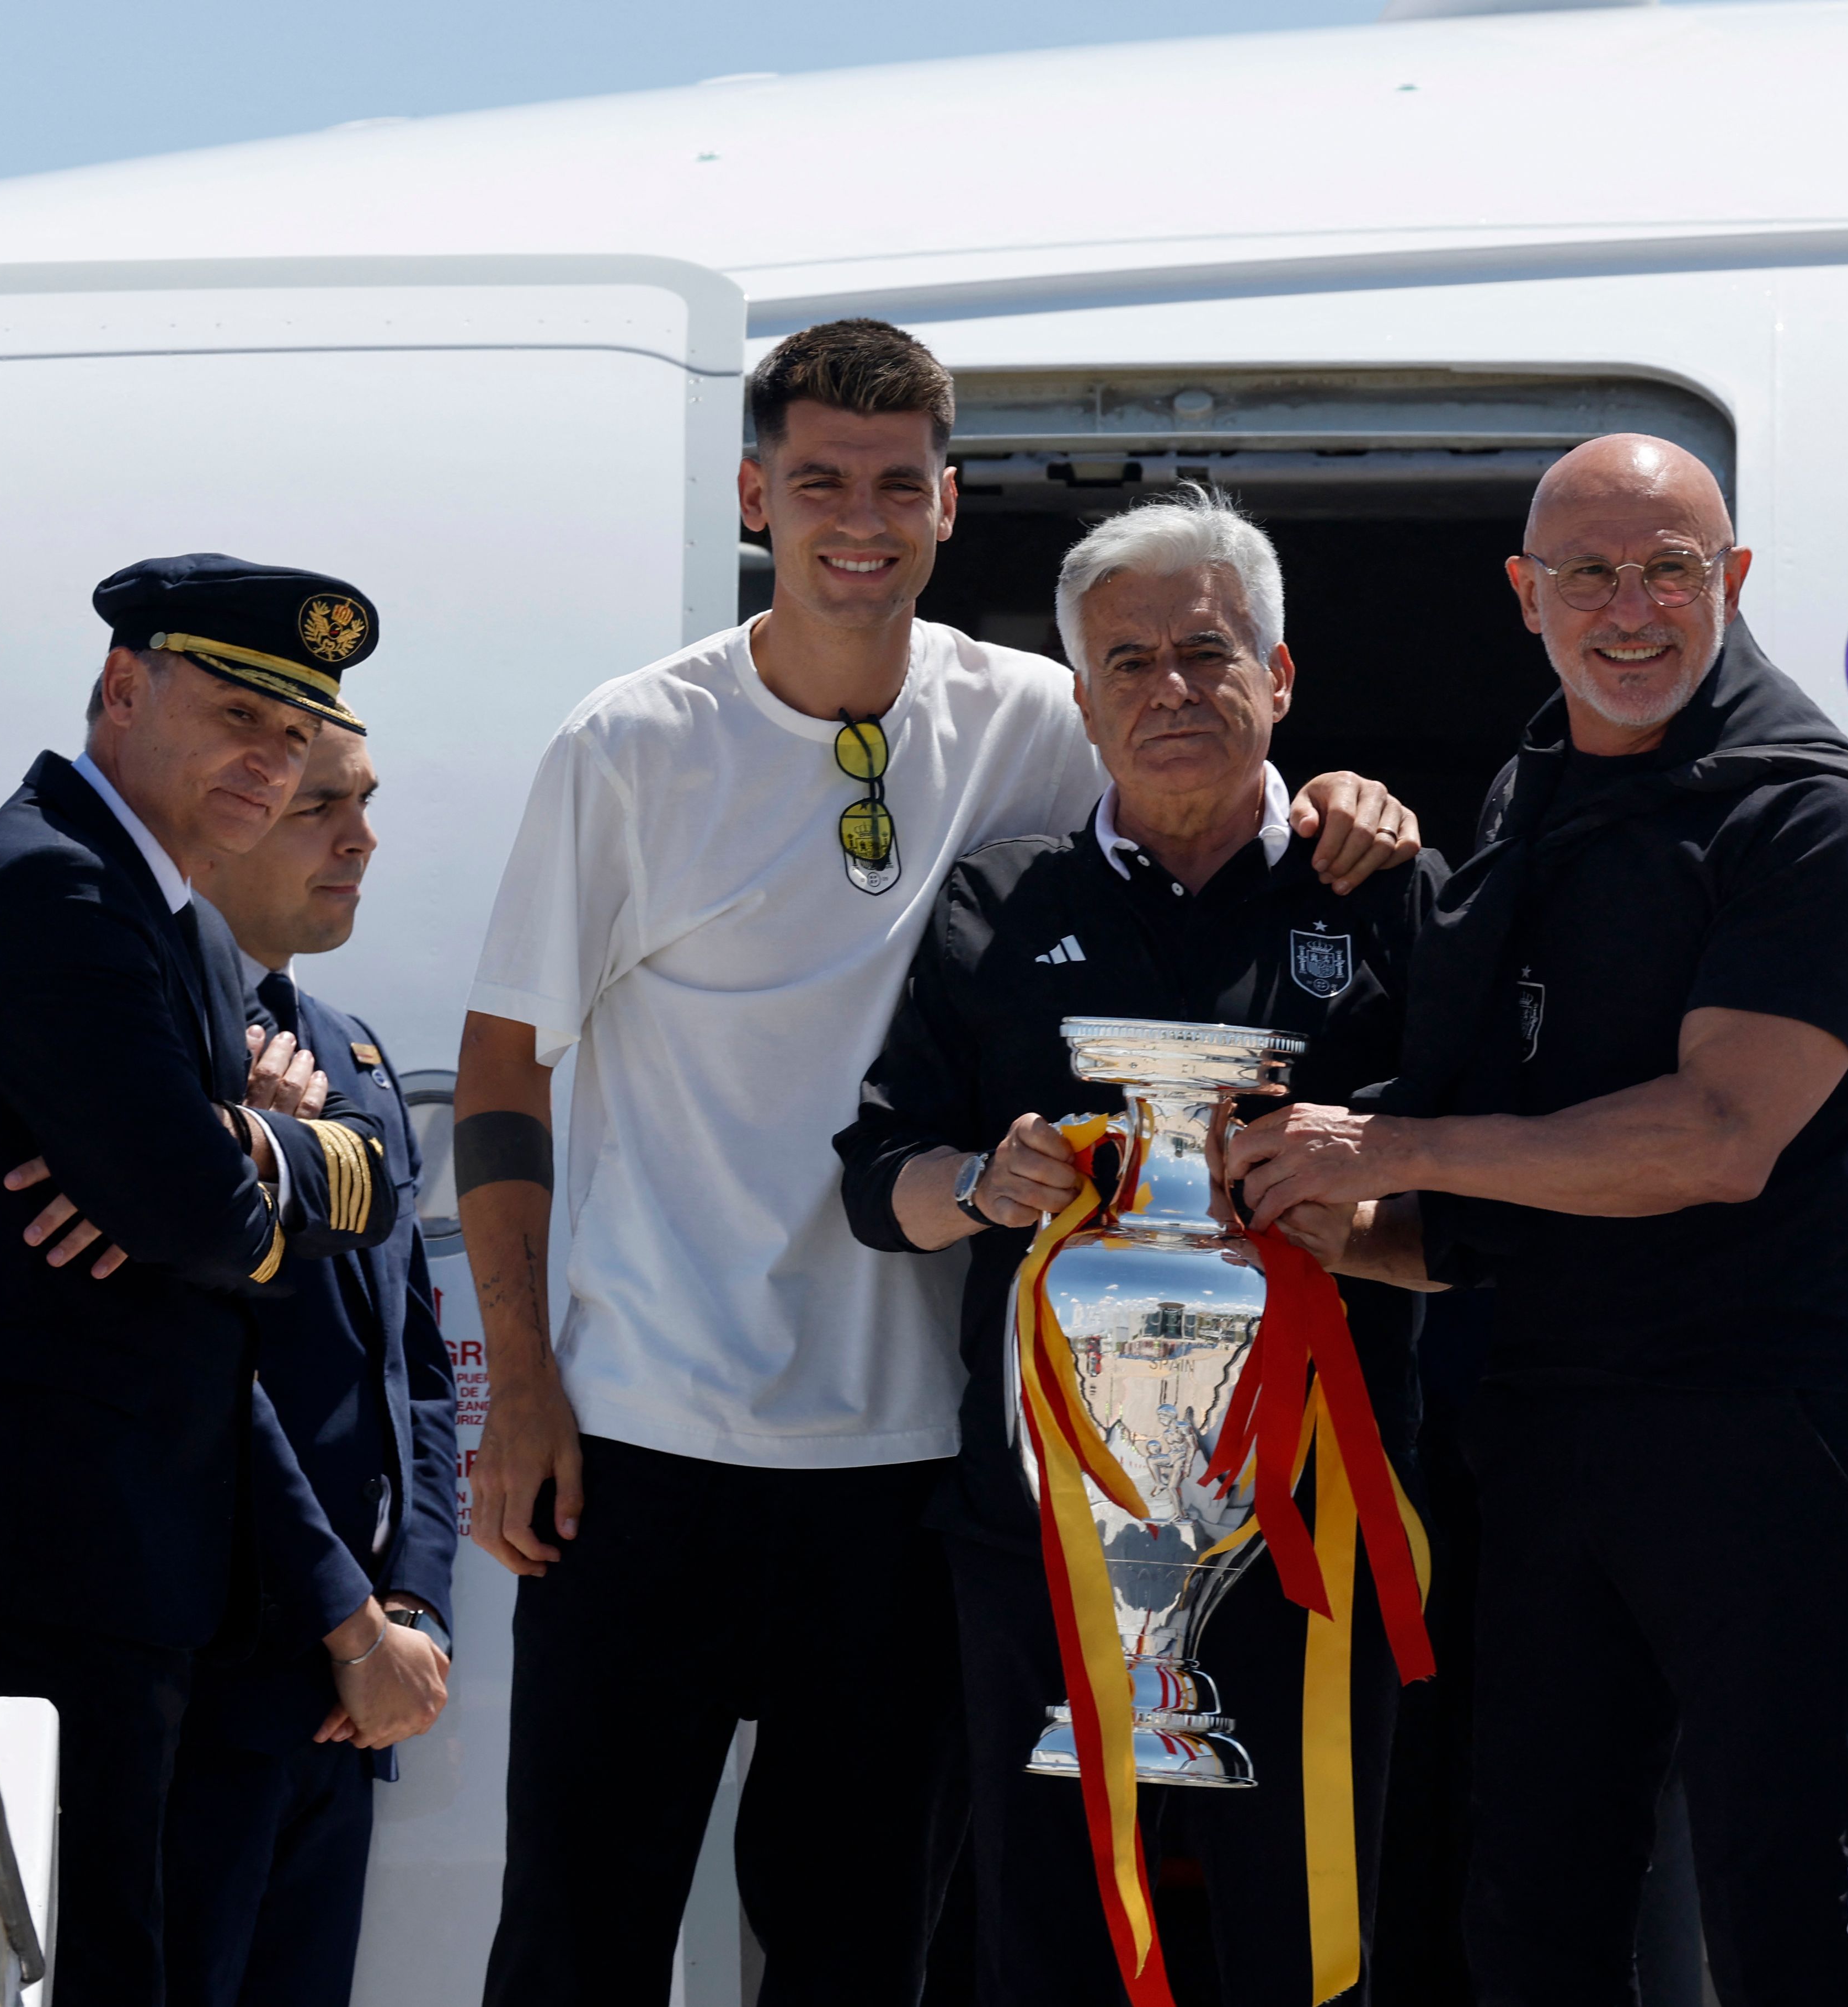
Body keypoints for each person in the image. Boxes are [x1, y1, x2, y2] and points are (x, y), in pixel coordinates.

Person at [455, 318, 1420, 2003]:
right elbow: (499, 1071)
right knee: (576, 1939)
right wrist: (520, 1378)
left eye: (898, 484)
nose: (860, 517)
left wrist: (1351, 799)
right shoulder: (627, 743)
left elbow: (1199, 747)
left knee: (859, 1953)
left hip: (915, 1471)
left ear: (949, 503)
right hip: (648, 1442)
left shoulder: (1043, 712)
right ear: (756, 494)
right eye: (819, 479)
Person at [1222, 435, 1848, 2007]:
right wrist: (1309, 1221)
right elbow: (1502, 1172)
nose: (1630, 608)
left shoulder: (1806, 817)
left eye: (1668, 567)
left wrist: (1387, 1141)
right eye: (1588, 573)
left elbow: (1718, 1136)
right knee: (1529, 1901)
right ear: (1521, 596)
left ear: (1731, 582)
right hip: (1546, 1412)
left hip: (1756, 1417)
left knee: (1765, 1897)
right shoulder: (1539, 783)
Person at [835, 487, 1440, 2007]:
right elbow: (875, 1180)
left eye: (1206, 650)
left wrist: (1339, 1213)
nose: (1170, 689)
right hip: (1043, 1530)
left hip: (1306, 1528)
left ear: (1280, 676)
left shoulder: (1382, 893)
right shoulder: (996, 896)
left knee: (1299, 1942)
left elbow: (1481, 1221)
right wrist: (993, 1178)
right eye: (1127, 663)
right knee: (1048, 1931)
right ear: (1083, 699)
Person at [0, 555, 405, 2005]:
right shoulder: (56, 885)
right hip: (64, 1564)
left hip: (141, 1568)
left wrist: (234, 1160)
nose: (269, 760)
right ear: (122, 690)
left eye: (295, 739)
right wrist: (243, 1169)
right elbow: (201, 1218)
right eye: (239, 712)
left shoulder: (153, 906)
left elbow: (240, 1197)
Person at [165, 720, 461, 2007]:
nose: (362, 840)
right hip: (207, 1675)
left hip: (346, 1693)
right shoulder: (157, 1050)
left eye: (367, 801)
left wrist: (415, 1611)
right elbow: (197, 1368)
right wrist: (348, 1613)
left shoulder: (353, 1053)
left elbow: (418, 1377)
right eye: (318, 809)